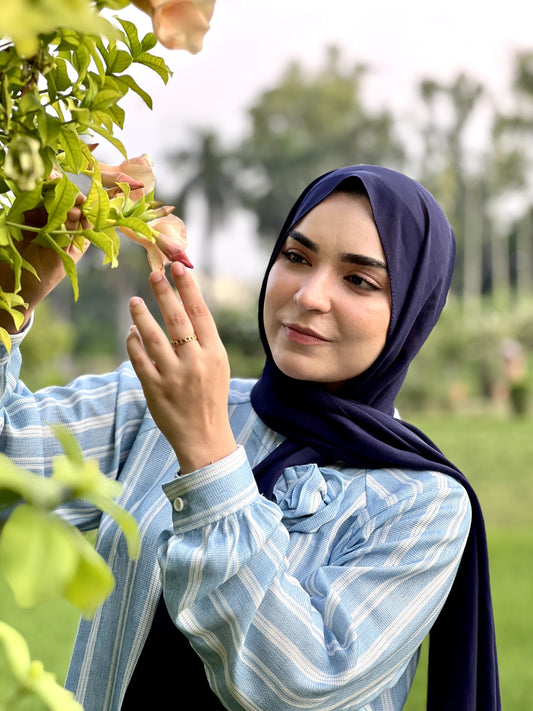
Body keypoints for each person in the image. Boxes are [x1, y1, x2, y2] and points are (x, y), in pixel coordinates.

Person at [0, 165, 500, 711]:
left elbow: (297, 688)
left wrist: (208, 453)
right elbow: (9, 473)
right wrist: (10, 292)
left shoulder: (424, 506)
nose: (310, 295)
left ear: (411, 313)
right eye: (296, 257)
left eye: (359, 280)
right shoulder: (158, 401)